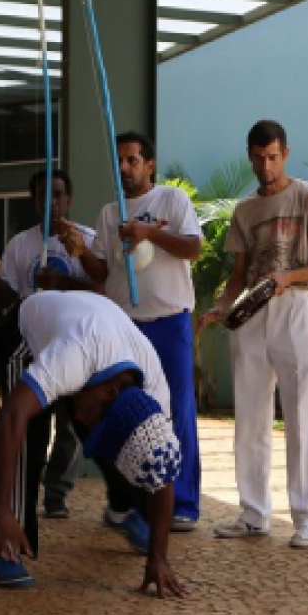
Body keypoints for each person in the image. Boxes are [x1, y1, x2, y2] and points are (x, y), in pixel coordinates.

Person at [0, 290, 187, 597]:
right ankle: (9, 544)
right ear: (108, 390)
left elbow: (163, 473)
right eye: (92, 414)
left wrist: (158, 557)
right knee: (28, 437)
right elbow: (10, 416)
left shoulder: (153, 390)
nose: (81, 420)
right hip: (29, 331)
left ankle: (121, 511)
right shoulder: (73, 354)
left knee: (125, 445)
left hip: (95, 333)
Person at [197, 119, 308, 549]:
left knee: (302, 413)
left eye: (273, 157)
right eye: (258, 158)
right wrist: (221, 306)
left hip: (295, 307)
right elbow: (238, 274)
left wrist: (286, 277)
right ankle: (254, 513)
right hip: (251, 313)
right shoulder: (244, 210)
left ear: (285, 154)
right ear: (250, 156)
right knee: (251, 416)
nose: (266, 165)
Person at [66, 131, 204, 532]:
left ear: (149, 164)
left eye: (132, 160)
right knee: (125, 412)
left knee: (176, 409)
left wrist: (150, 234)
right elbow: (105, 274)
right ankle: (131, 503)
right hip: (124, 326)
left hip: (169, 320)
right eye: (120, 161)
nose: (124, 167)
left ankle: (183, 504)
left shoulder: (171, 201)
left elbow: (194, 248)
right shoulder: (110, 213)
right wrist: (80, 251)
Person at [0, 168, 92, 537]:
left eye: (58, 195)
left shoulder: (86, 239)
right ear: (33, 201)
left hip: (73, 344)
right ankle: (20, 498)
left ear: (68, 199)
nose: (51, 202)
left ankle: (57, 492)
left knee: (71, 426)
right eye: (43, 196)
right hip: (30, 346)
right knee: (28, 423)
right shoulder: (21, 244)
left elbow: (101, 290)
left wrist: (62, 281)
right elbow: (8, 299)